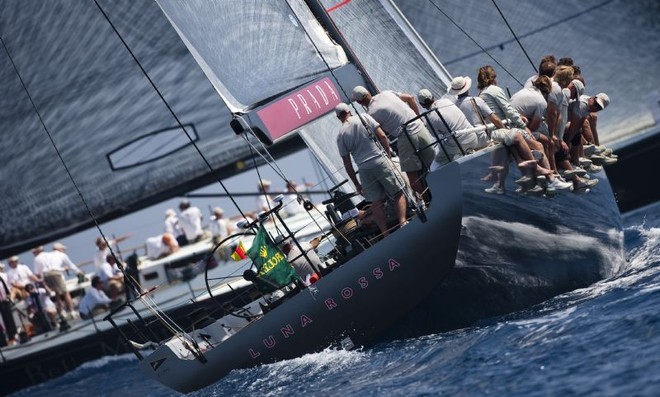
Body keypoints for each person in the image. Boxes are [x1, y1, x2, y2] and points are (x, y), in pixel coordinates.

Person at [335, 102, 408, 235]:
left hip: (364, 170)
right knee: (398, 192)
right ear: (348, 111)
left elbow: (347, 164)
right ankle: (403, 222)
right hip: (379, 161)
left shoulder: (340, 135)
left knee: (376, 203)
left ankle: (385, 233)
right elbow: (382, 136)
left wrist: (356, 184)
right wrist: (388, 156)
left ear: (338, 117)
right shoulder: (363, 117)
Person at [352, 85, 436, 196]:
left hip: (406, 137)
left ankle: (431, 199)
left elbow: (382, 136)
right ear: (368, 92)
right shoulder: (387, 93)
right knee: (435, 165)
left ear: (358, 102)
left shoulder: (370, 115)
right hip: (420, 127)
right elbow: (410, 98)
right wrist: (418, 117)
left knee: (413, 182)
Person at [417, 88, 487, 167]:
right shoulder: (447, 101)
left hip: (460, 144)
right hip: (473, 137)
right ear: (433, 96)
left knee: (435, 165)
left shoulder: (429, 119)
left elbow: (437, 136)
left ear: (422, 105)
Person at [33, 243, 83, 319]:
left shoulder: (50, 254)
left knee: (57, 293)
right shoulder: (61, 255)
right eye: (63, 249)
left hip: (46, 275)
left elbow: (46, 269)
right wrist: (78, 271)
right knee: (65, 292)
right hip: (55, 274)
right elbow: (71, 265)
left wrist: (62, 269)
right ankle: (72, 311)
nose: (64, 250)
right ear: (59, 249)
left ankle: (61, 312)